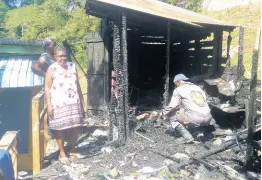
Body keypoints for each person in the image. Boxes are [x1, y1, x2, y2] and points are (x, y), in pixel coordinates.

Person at [45, 46, 85, 161]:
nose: (62, 58)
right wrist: (49, 105)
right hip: (58, 104)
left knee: (75, 127)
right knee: (60, 128)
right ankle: (62, 152)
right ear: (55, 57)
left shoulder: (72, 66)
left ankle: (72, 149)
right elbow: (47, 88)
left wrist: (82, 102)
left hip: (74, 102)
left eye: (64, 55)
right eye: (60, 56)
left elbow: (77, 85)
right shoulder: (52, 69)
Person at [159, 74, 212, 143]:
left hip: (195, 119)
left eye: (176, 84)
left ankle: (187, 137)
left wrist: (163, 113)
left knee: (172, 116)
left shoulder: (178, 90)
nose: (176, 85)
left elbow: (173, 106)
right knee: (190, 112)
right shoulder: (198, 88)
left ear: (178, 81)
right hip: (208, 119)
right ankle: (199, 133)